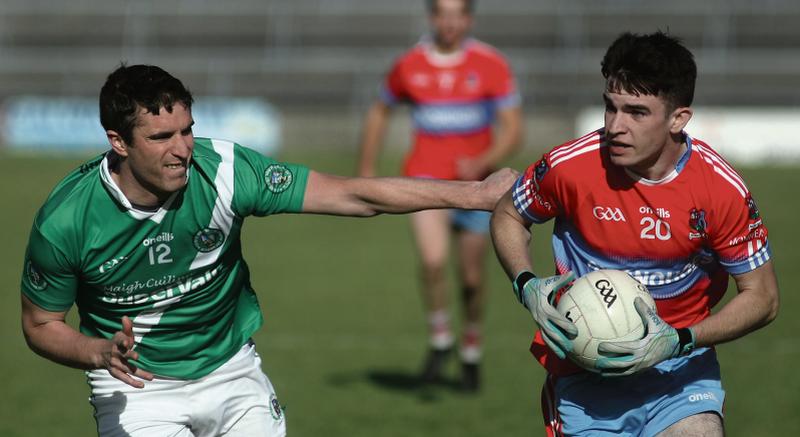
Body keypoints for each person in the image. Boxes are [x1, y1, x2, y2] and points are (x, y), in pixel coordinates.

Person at [19, 64, 517, 437]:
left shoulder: (228, 172)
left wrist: (472, 195)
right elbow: (41, 324)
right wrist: (97, 351)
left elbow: (352, 193)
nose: (183, 148)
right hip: (137, 390)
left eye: (188, 130)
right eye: (162, 137)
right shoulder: (67, 221)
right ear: (118, 142)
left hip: (232, 371)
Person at [491, 31, 779, 436]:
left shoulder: (720, 191)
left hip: (680, 376)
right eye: (611, 107)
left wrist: (678, 340)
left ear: (679, 118)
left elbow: (763, 297)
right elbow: (508, 214)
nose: (615, 126)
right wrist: (526, 283)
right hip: (585, 377)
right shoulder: (571, 167)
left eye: (637, 112)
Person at [356, 0, 522, 391]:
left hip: (476, 190)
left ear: (468, 19)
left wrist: (485, 159)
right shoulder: (409, 64)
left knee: (471, 277)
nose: (449, 23)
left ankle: (471, 345)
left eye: (457, 14)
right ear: (432, 18)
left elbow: (514, 130)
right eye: (441, 14)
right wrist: (366, 165)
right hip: (425, 181)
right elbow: (380, 110)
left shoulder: (490, 64)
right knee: (432, 263)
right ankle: (440, 338)